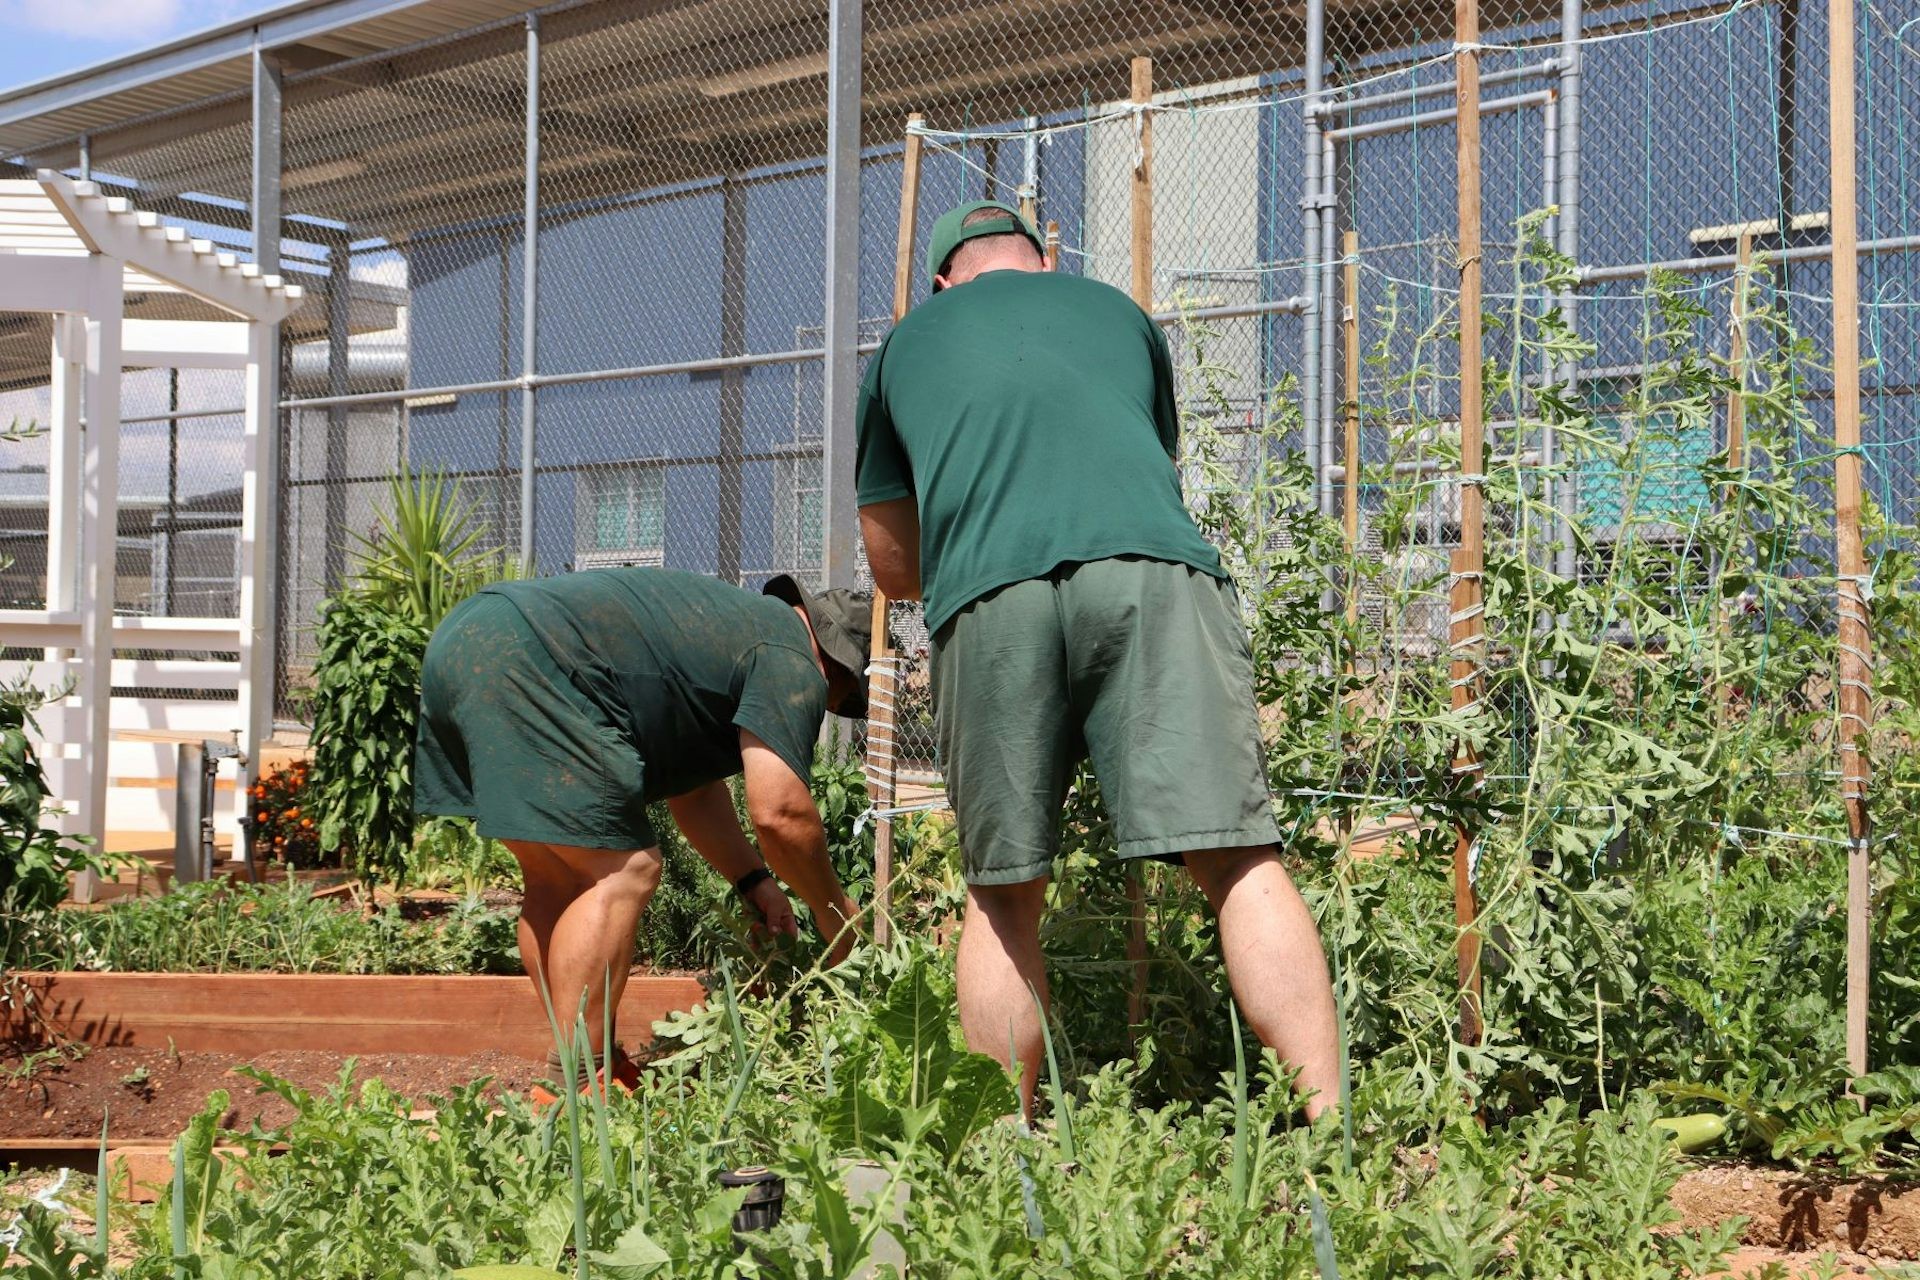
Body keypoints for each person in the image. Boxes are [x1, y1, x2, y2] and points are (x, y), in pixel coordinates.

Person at [855, 200, 1342, 1116]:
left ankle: (1007, 1146)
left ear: (941, 282)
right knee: (1240, 861)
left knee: (1001, 892)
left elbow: (891, 563)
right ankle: (1334, 1131)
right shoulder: (1119, 313)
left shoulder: (903, 347)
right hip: (1150, 574)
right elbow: (1150, 460)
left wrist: (975, 544)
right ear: (1047, 264)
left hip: (989, 593)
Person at [415, 567, 869, 1095]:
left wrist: (754, 883)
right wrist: (835, 910)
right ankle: (580, 1089)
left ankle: (590, 1066)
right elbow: (779, 812)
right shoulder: (792, 655)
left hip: (471, 637)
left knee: (557, 881)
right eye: (840, 700)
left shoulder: (733, 630)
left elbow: (694, 792)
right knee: (624, 869)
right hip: (538, 656)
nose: (830, 706)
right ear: (837, 664)